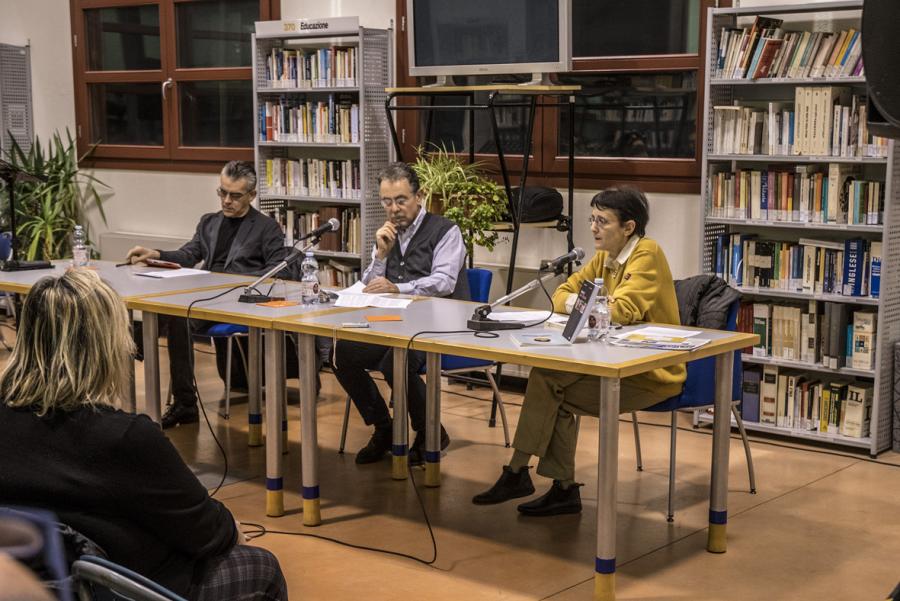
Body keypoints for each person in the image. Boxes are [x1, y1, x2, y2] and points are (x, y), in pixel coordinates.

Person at [0, 270, 287, 600]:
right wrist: (231, 528)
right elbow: (207, 532)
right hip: (119, 586)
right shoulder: (122, 437)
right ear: (106, 343)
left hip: (32, 579)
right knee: (259, 567)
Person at [472, 187, 687, 516]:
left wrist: (587, 305)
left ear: (628, 227)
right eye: (592, 219)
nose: (593, 228)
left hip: (649, 373)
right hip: (609, 360)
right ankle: (556, 487)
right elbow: (561, 295)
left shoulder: (647, 253)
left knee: (548, 385)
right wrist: (584, 304)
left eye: (602, 221)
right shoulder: (604, 258)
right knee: (547, 379)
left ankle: (524, 474)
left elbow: (621, 309)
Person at [125, 160, 290, 428]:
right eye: (222, 192)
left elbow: (277, 269)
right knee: (171, 313)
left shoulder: (266, 227)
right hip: (204, 298)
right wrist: (157, 254)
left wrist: (232, 282)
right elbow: (189, 255)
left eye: (235, 195)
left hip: (239, 301)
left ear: (252, 196)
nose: (226, 201)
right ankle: (182, 401)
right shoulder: (209, 222)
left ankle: (168, 384)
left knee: (178, 317)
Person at [333, 161, 468, 466]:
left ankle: (429, 431)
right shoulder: (386, 234)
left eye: (401, 200)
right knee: (342, 353)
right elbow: (368, 285)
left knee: (395, 359)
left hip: (439, 324)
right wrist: (380, 256)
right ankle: (385, 427)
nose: (394, 209)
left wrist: (399, 288)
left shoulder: (446, 231)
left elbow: (444, 283)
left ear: (419, 196)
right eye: (387, 201)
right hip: (392, 324)